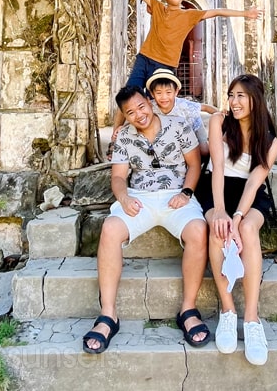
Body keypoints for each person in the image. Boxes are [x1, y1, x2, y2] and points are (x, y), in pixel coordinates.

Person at [83, 85, 209, 354]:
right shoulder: (125, 137)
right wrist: (124, 198)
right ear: (124, 116)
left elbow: (195, 165)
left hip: (177, 194)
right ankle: (108, 315)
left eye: (141, 106)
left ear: (149, 102)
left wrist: (187, 192)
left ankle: (188, 309)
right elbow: (118, 177)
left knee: (198, 230)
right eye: (130, 112)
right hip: (140, 196)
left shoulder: (178, 125)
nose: (138, 114)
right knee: (109, 229)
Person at [110, 0, 262, 144]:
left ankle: (156, 141)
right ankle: (115, 138)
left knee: (158, 104)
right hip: (145, 58)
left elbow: (217, 11)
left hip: (164, 66)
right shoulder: (158, 8)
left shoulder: (190, 15)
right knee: (128, 94)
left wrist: (246, 13)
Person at [194, 74, 277, 366]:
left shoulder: (270, 141)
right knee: (218, 231)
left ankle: (252, 320)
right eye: (231, 95)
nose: (234, 101)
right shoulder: (219, 122)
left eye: (241, 95)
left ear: (255, 99)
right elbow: (216, 167)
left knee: (246, 229)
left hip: (249, 196)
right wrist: (219, 211)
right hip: (216, 189)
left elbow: (255, 183)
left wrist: (239, 215)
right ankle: (228, 313)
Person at [146, 68, 218, 157]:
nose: (164, 97)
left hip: (193, 127)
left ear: (176, 92)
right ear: (152, 94)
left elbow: (206, 107)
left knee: (204, 151)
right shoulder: (150, 107)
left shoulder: (184, 105)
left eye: (168, 92)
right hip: (169, 134)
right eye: (159, 93)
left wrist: (221, 114)